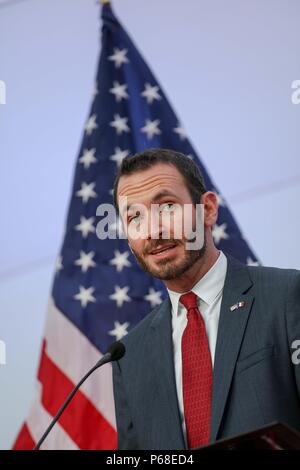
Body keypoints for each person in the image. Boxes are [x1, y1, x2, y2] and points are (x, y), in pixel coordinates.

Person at [111, 148, 300, 450]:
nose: (153, 230)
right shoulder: (128, 356)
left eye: (168, 206)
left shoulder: (287, 296)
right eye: (135, 216)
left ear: (208, 209)